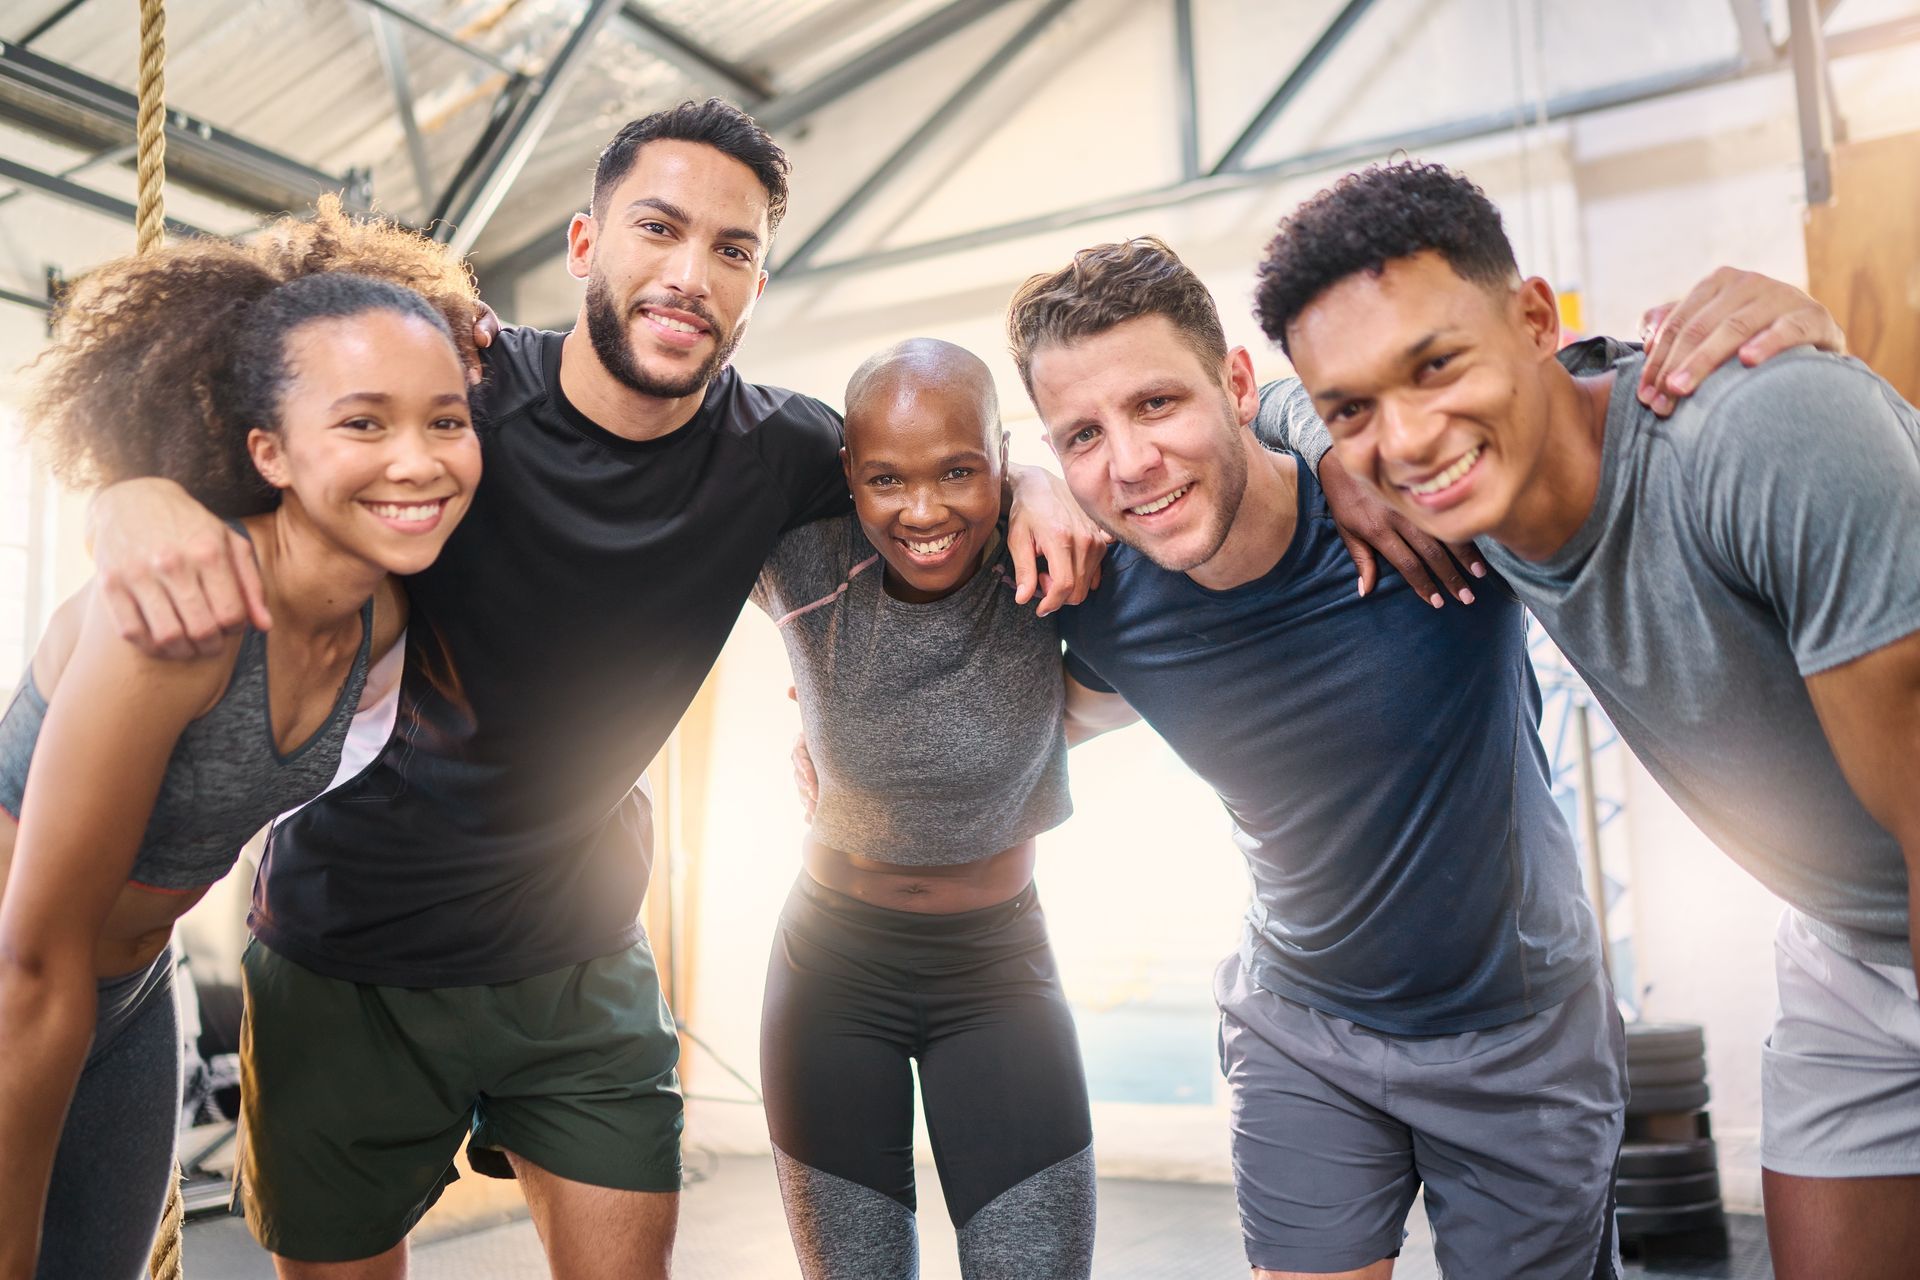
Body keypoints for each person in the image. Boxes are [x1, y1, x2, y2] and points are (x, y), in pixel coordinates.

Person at [85, 99, 1105, 1279]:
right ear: (583, 244)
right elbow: (254, 415)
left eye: (733, 250)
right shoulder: (454, 398)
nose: (689, 274)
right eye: (658, 229)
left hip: (579, 956)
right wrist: (129, 491)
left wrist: (1042, 480)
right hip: (342, 950)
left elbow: (934, 469)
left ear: (757, 284)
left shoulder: (782, 455)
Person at [1000, 236, 1840, 1280]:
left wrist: (1784, 343)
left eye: (1157, 404)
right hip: (1300, 1026)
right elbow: (1017, 715)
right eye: (1080, 434)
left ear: (1237, 381)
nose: (1128, 461)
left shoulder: (1424, 508)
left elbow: (1580, 401)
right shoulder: (1105, 599)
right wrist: (1014, 485)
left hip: (1519, 1030)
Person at [1252, 160, 1920, 1280]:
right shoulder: (1478, 488)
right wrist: (1327, 450)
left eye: (1436, 364)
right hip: (1855, 935)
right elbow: (1248, 405)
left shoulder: (1757, 435)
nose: (1408, 437)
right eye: (1354, 405)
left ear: (1533, 318)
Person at [0, 206, 482, 1280]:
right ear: (267, 447)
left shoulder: (385, 618)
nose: (417, 458)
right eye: (363, 422)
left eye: (446, 420)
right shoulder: (181, 620)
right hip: (18, 978)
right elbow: (32, 958)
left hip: (131, 996)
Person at [755, 339, 1095, 1279]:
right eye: (885, 479)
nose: (924, 510)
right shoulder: (801, 559)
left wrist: (1042, 481)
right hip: (830, 969)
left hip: (998, 968)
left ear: (1000, 454)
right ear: (848, 479)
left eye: (959, 470)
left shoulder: (1050, 555)